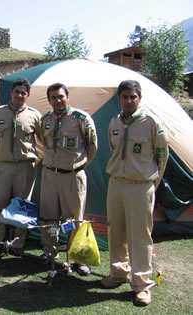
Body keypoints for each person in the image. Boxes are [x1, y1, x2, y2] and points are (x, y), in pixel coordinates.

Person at [101, 80, 169, 306]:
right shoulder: (114, 122)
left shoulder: (151, 122)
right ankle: (119, 272)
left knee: (140, 236)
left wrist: (152, 185)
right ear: (119, 99)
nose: (129, 100)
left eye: (133, 96)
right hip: (117, 183)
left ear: (140, 98)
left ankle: (141, 284)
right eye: (124, 97)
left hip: (141, 186)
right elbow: (114, 149)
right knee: (116, 231)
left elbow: (162, 156)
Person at [38, 83, 98, 275]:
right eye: (53, 97)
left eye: (61, 96)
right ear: (49, 100)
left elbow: (92, 146)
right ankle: (50, 252)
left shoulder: (81, 119)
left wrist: (79, 166)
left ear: (68, 97)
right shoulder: (45, 119)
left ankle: (77, 258)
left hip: (72, 176)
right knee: (48, 217)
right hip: (49, 175)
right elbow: (42, 140)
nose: (58, 100)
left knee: (74, 220)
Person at [0, 78, 41, 255]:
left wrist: (36, 160)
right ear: (11, 92)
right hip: (2, 166)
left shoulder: (34, 115)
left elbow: (44, 142)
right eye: (17, 91)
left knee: (22, 206)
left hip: (25, 167)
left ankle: (17, 244)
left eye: (24, 93)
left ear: (28, 95)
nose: (20, 95)